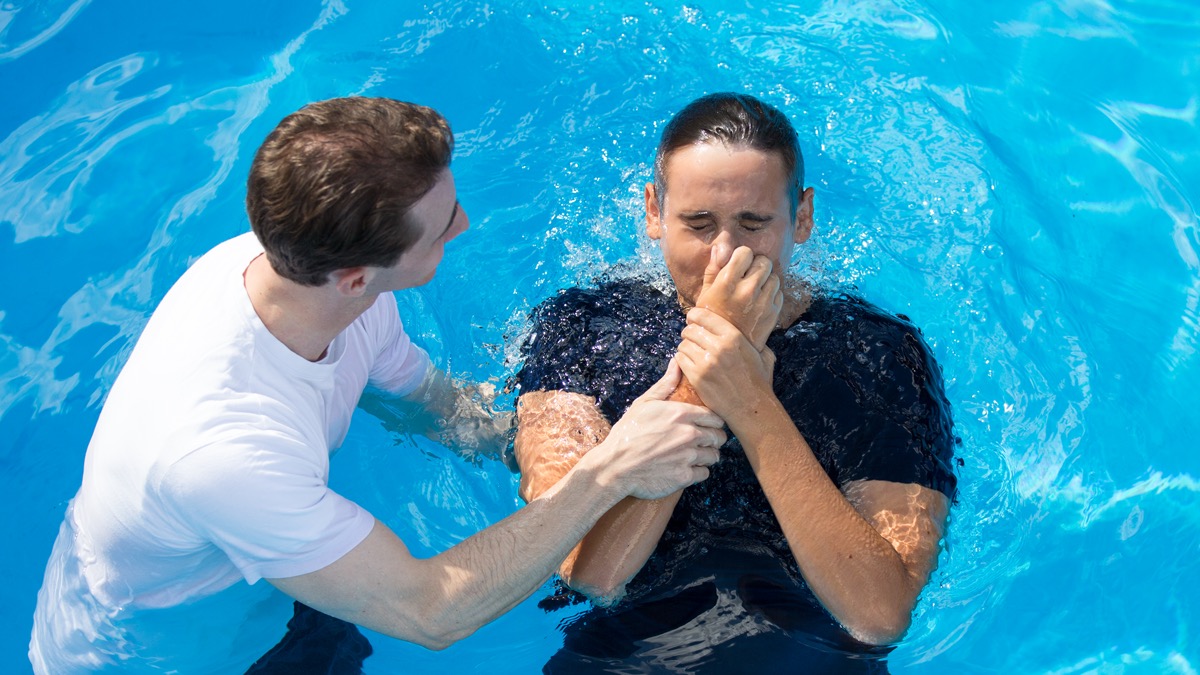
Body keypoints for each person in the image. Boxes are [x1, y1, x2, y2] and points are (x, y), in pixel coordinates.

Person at [29, 96, 727, 674]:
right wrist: (609, 473)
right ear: (358, 276)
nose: (465, 224)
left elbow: (431, 406)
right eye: (443, 227)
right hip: (172, 653)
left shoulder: (311, 279)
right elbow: (432, 612)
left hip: (273, 585)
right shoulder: (223, 450)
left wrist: (570, 424)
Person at [513, 93, 958, 673]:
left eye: (753, 224)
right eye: (698, 225)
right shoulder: (581, 328)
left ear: (802, 217)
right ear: (653, 212)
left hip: (813, 653)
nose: (724, 255)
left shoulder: (878, 355)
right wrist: (705, 381)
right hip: (622, 649)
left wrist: (750, 402)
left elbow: (878, 614)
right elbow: (591, 574)